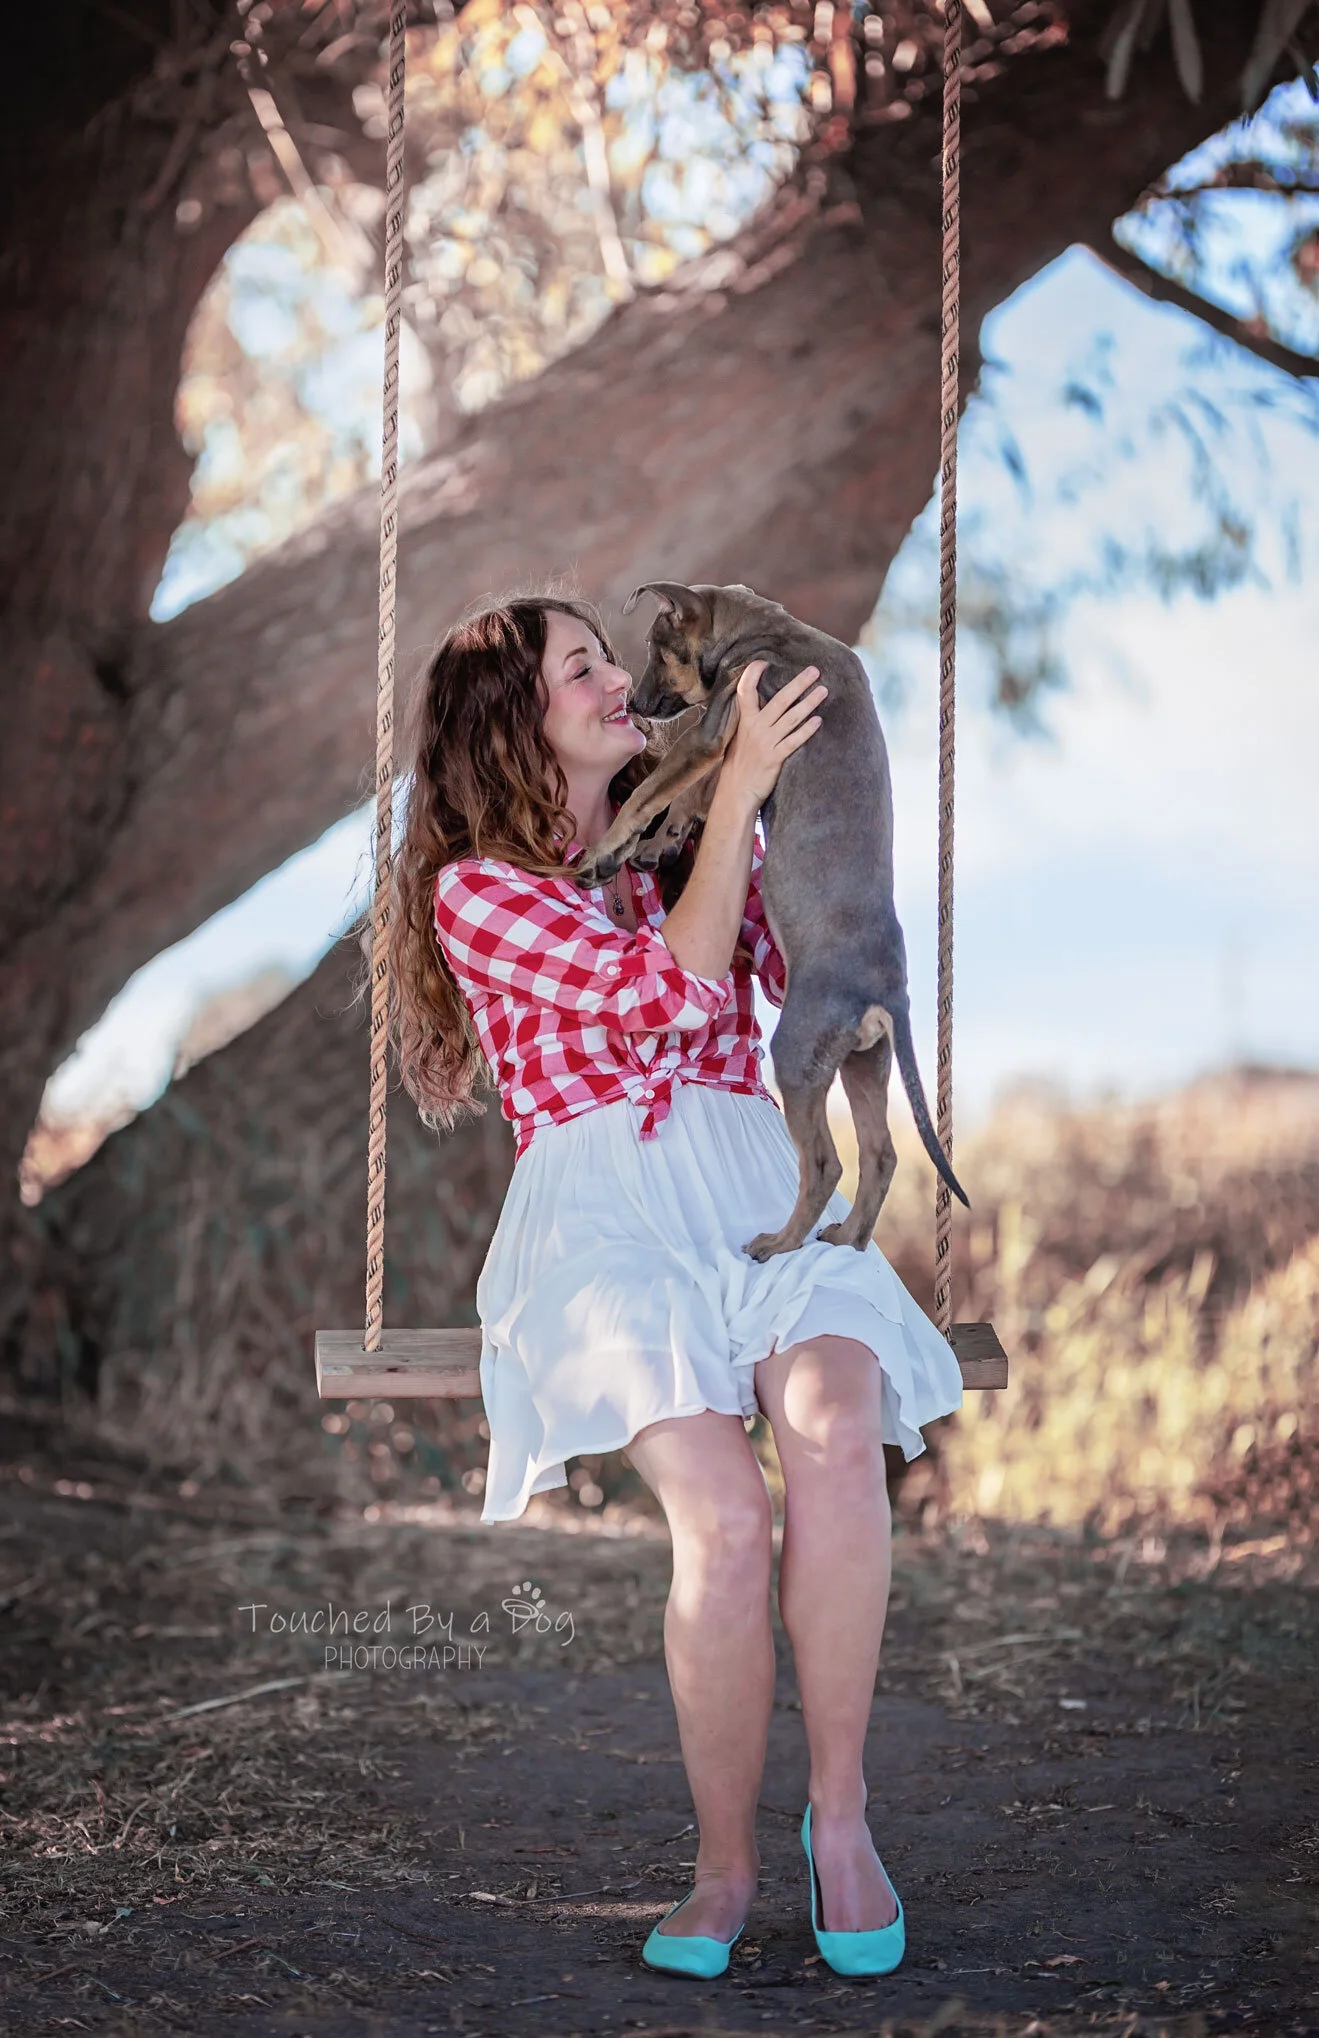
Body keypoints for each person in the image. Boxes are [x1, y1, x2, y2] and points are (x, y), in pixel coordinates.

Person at [389, 592, 964, 1978]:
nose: (617, 685)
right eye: (581, 669)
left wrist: (776, 799)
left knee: (834, 1424)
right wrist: (738, 792)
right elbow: (664, 994)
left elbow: (779, 956)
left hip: (752, 1182)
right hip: (604, 1222)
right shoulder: (479, 892)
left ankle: (840, 1819)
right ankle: (722, 1866)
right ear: (509, 726)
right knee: (723, 1513)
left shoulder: (681, 840)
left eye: (611, 660)